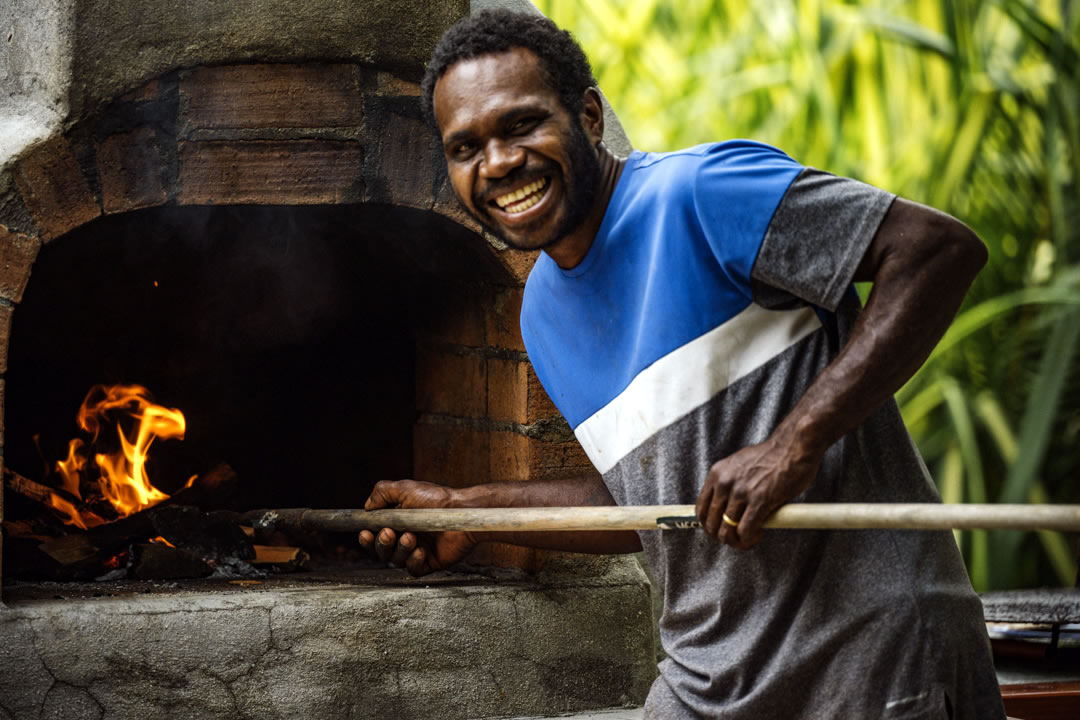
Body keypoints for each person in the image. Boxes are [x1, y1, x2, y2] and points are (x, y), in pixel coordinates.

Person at [359, 9, 1005, 719]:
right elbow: (647, 503)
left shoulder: (701, 194)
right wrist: (467, 513)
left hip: (874, 665)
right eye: (466, 147)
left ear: (589, 116)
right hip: (707, 684)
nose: (498, 163)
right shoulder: (539, 315)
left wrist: (794, 445)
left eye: (521, 125)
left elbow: (937, 251)